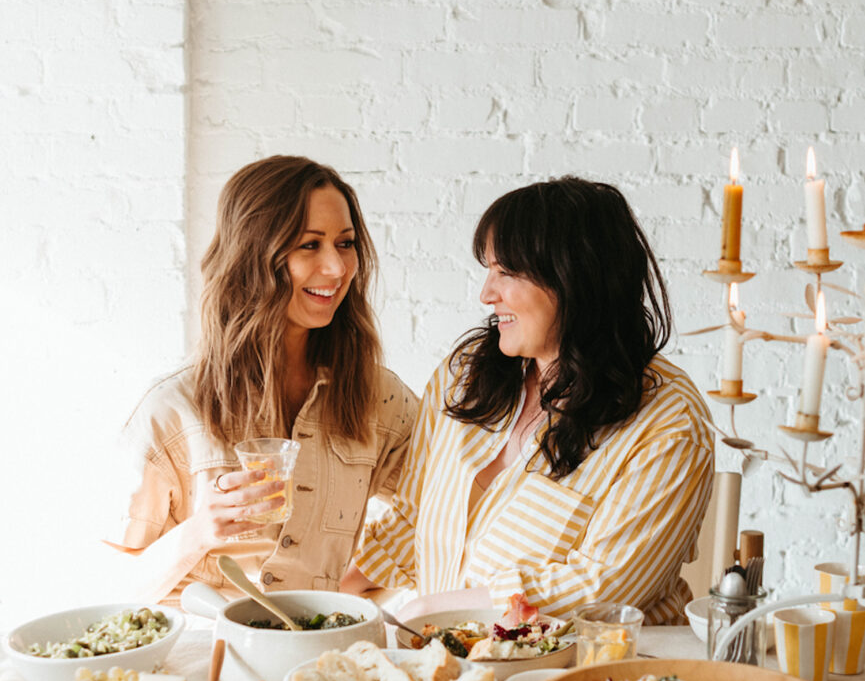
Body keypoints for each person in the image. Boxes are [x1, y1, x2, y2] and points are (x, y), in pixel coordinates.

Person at [344, 176, 713, 623]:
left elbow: (604, 588)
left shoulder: (669, 422)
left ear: (576, 277)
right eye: (489, 270)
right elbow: (414, 517)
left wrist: (428, 610)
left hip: (588, 678)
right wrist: (326, 597)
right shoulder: (465, 377)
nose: (486, 294)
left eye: (508, 272)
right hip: (450, 662)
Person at [109, 155, 417, 604]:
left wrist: (345, 595)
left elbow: (443, 512)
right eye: (309, 245)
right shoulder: (173, 410)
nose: (335, 268)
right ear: (253, 256)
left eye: (345, 243)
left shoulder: (379, 399)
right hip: (205, 661)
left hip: (321, 660)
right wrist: (199, 531)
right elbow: (116, 587)